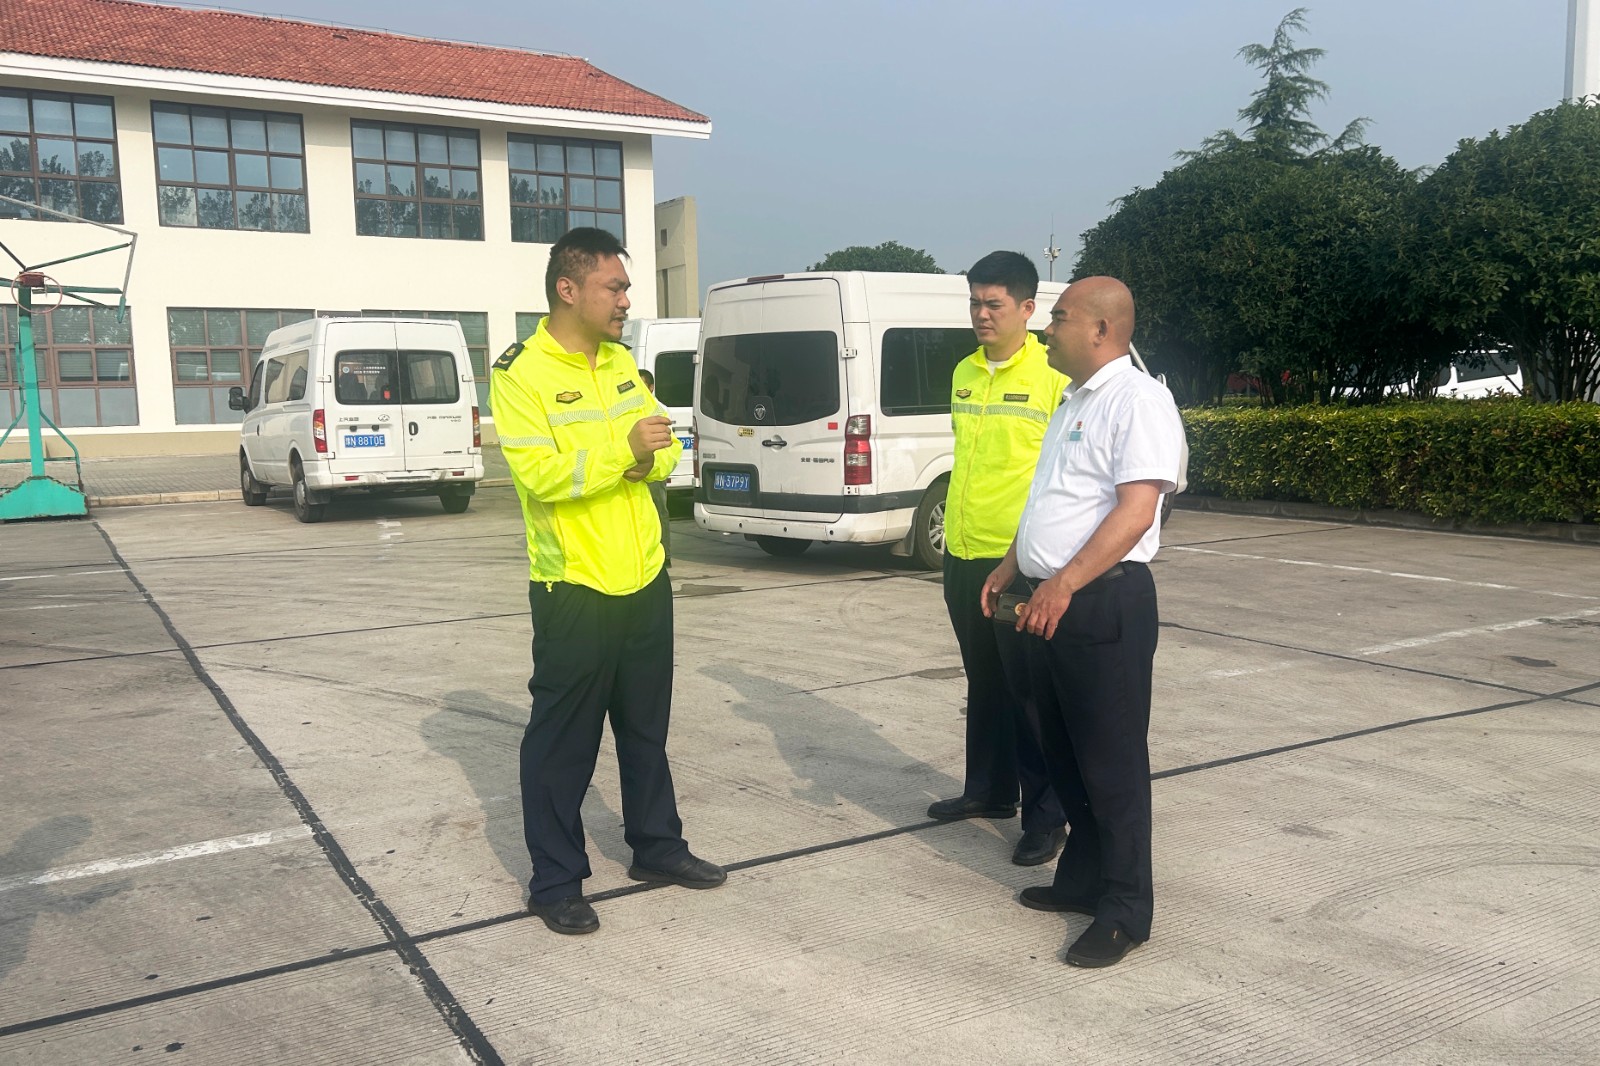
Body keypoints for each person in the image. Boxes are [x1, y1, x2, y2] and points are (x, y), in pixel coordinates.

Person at [490, 227, 724, 936]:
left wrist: (641, 458)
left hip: (644, 575)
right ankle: (556, 881)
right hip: (575, 585)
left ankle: (658, 847)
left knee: (646, 730)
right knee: (563, 744)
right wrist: (623, 454)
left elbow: (666, 452)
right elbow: (539, 475)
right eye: (614, 287)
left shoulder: (624, 362)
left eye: (625, 288)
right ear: (568, 289)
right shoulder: (520, 373)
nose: (626, 300)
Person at [981, 276, 1185, 968]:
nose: (1047, 329)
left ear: (1101, 329)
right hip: (1049, 599)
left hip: (1100, 603)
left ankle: (1125, 910)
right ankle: (1083, 881)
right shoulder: (1073, 398)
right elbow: (1055, 499)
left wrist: (1063, 583)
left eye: (1060, 317)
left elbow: (1136, 512)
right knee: (1063, 751)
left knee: (1112, 764)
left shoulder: (1138, 401)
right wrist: (1013, 564)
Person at [926, 251, 1069, 868]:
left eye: (994, 304)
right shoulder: (963, 370)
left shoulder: (1053, 377)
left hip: (1016, 561)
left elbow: (1062, 475)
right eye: (974, 303)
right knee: (983, 679)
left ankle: (1046, 817)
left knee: (1028, 692)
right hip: (962, 552)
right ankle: (987, 789)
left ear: (1028, 308)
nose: (982, 315)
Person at [637, 367, 672, 567]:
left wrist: (654, 464)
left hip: (654, 466)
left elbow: (668, 444)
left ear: (651, 388)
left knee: (659, 510)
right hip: (634, 467)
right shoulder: (629, 406)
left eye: (642, 385)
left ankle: (665, 554)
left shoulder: (658, 409)